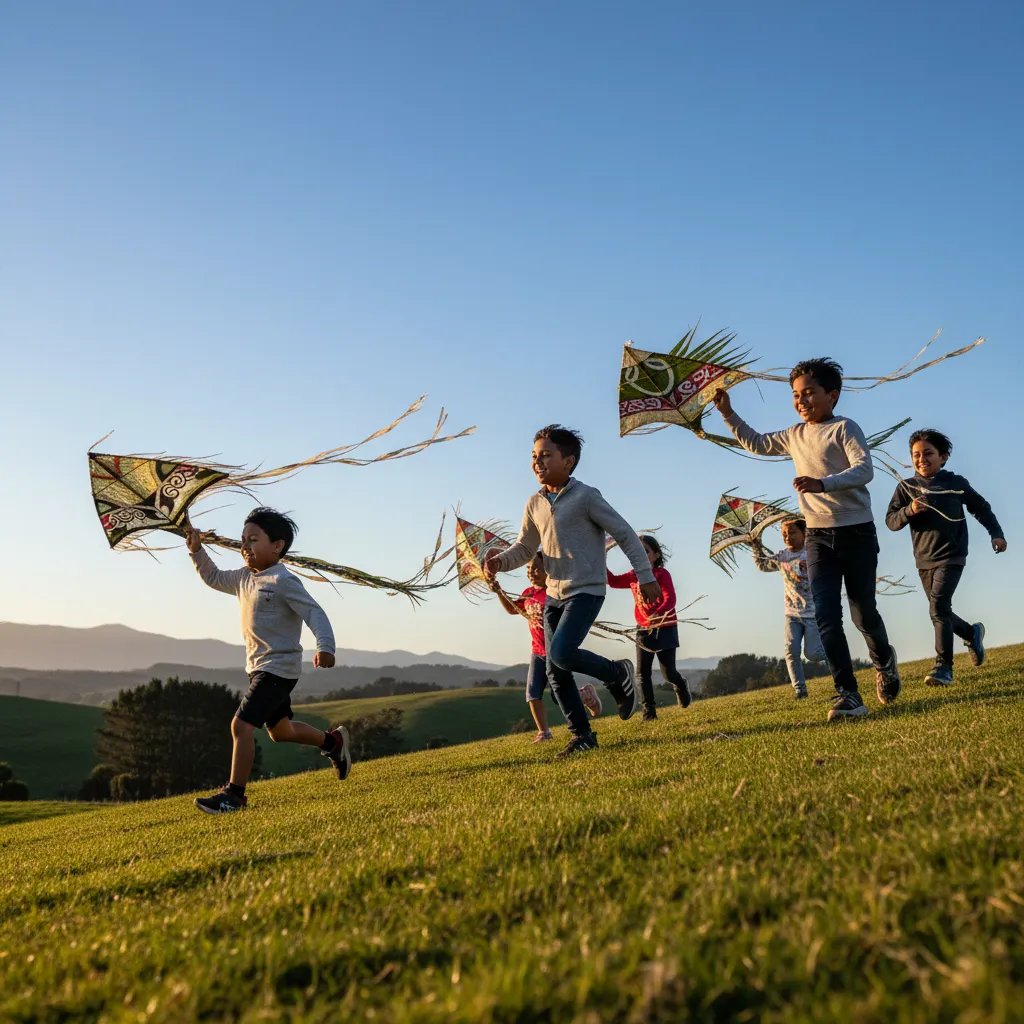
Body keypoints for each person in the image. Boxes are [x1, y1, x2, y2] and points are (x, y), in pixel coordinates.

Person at [713, 358, 902, 721]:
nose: (801, 401)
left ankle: (884, 660)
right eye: (796, 395)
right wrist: (728, 413)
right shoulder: (794, 435)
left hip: (857, 532)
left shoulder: (845, 428)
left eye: (809, 393)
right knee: (827, 617)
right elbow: (756, 443)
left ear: (832, 395)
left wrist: (823, 484)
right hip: (817, 538)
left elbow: (864, 469)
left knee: (863, 614)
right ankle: (848, 694)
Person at [484, 424, 661, 756]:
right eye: (534, 456)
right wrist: (499, 563)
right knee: (554, 669)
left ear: (569, 461)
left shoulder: (586, 497)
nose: (538, 462)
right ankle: (583, 736)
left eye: (546, 455)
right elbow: (524, 548)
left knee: (562, 653)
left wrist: (645, 574)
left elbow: (624, 534)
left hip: (586, 590)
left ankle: (616, 673)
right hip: (554, 594)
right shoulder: (534, 503)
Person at [184, 507, 351, 813]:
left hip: (278, 668)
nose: (244, 546)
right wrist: (197, 551)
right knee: (281, 731)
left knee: (241, 725)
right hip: (258, 667)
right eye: (243, 540)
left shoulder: (283, 580)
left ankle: (233, 796)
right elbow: (213, 577)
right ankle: (333, 743)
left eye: (253, 539)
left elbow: (314, 611)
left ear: (277, 546)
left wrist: (325, 646)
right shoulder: (243, 577)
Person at [885, 428, 1006, 687]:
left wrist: (996, 534)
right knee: (940, 610)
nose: (921, 459)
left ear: (943, 457)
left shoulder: (955, 483)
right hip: (923, 559)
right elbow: (891, 521)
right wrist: (909, 510)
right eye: (916, 455)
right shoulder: (906, 487)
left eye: (928, 453)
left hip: (952, 555)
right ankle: (971, 634)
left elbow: (981, 508)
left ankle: (944, 667)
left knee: (937, 608)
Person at [489, 551, 603, 742]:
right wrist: (499, 591)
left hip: (555, 651)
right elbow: (512, 609)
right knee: (532, 694)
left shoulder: (554, 593)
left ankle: (584, 695)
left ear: (548, 570)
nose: (531, 572)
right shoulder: (528, 594)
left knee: (558, 694)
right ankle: (544, 732)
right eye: (528, 568)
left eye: (535, 568)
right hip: (537, 651)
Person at [607, 534, 692, 719]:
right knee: (642, 672)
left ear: (655, 554)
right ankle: (649, 712)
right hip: (643, 629)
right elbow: (612, 581)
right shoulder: (632, 576)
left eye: (645, 551)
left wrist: (658, 614)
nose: (641, 555)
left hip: (665, 626)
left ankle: (680, 684)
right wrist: (601, 558)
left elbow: (671, 599)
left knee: (668, 672)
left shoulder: (662, 574)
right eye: (637, 551)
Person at [751, 518, 825, 699]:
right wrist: (755, 545)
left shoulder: (812, 553)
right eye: (784, 534)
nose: (788, 537)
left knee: (813, 654)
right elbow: (762, 565)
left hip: (812, 613)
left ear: (804, 533)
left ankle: (834, 653)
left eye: (792, 533)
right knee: (791, 652)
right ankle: (800, 690)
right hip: (791, 614)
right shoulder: (782, 556)